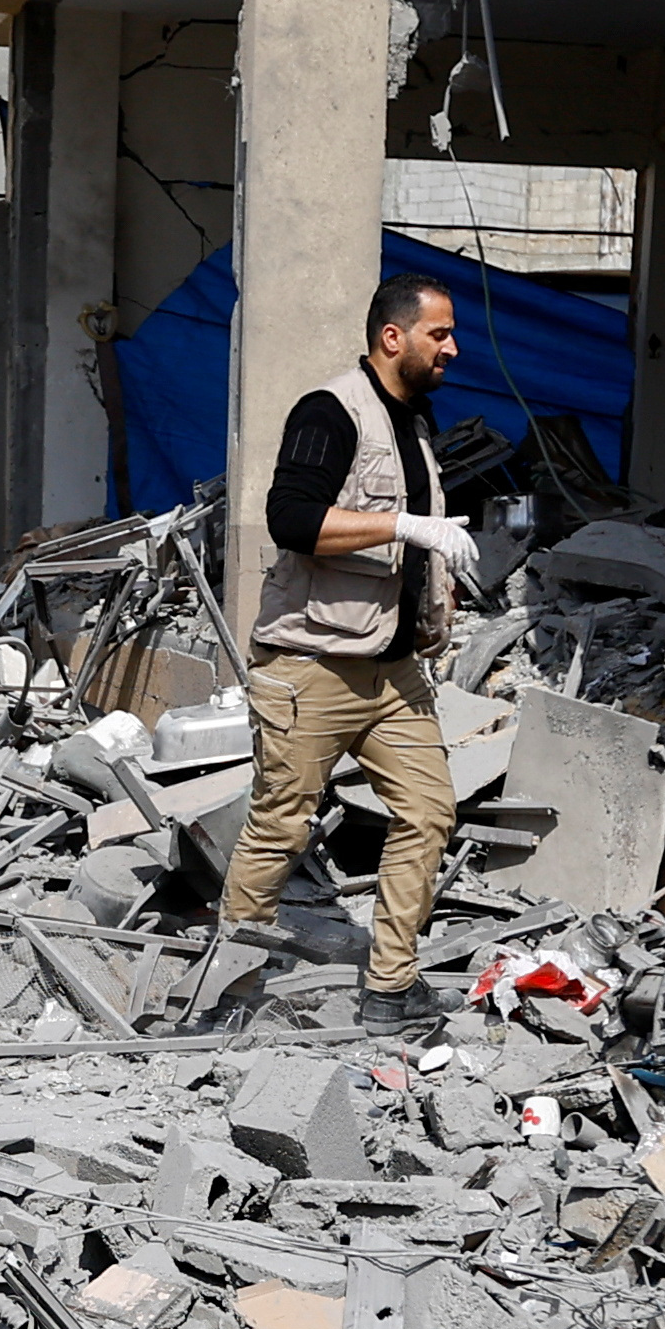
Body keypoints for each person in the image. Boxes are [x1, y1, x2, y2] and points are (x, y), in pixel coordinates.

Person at [217, 272, 479, 1036]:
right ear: (393, 337)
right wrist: (402, 526)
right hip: (312, 662)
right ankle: (229, 990)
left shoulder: (417, 420)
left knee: (429, 812)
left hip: (393, 671)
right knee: (281, 824)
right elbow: (292, 519)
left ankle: (389, 987)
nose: (453, 348)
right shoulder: (329, 411)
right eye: (439, 334)